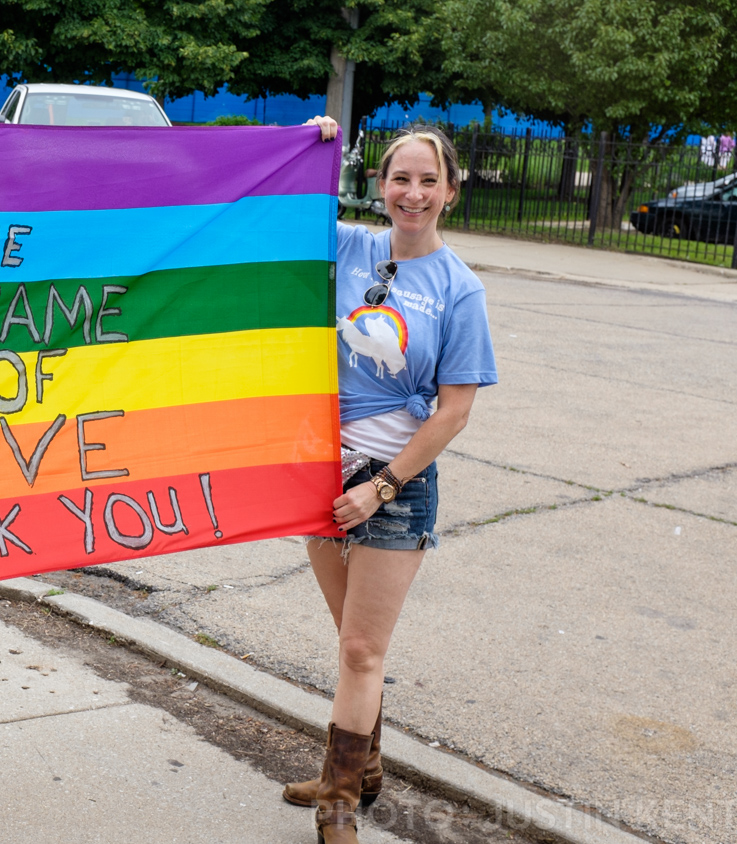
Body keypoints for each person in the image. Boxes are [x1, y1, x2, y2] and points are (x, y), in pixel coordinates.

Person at [285, 116, 497, 844]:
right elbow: (279, 208)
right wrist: (308, 143)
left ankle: (339, 801)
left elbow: (455, 410)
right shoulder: (349, 247)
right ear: (378, 187)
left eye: (427, 181)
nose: (412, 193)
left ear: (450, 193)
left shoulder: (460, 290)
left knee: (359, 650)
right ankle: (363, 766)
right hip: (320, 474)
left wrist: (380, 487)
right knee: (352, 641)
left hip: (393, 488)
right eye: (399, 178)